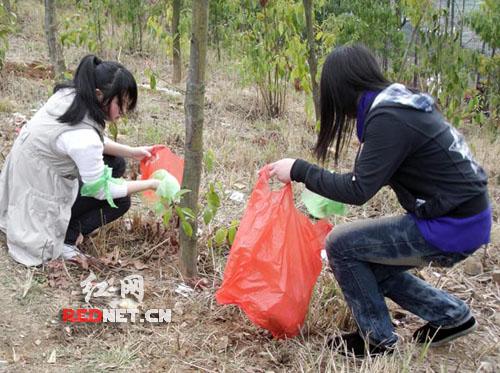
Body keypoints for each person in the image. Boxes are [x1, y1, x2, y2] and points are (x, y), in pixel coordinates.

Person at [269, 44, 492, 357]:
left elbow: (358, 190)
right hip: (465, 217)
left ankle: (377, 340)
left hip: (452, 226)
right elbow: (368, 176)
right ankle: (450, 316)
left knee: (341, 245)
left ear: (341, 91)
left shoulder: (389, 118)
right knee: (367, 263)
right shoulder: (397, 103)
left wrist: (298, 169)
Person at [0, 55, 160, 266]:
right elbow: (100, 189)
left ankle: (70, 223)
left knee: (117, 163)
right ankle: (67, 237)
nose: (123, 112)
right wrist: (151, 184)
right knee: (121, 201)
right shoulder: (83, 138)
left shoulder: (70, 96)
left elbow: (92, 138)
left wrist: (133, 151)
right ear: (99, 95)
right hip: (39, 189)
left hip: (30, 173)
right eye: (120, 104)